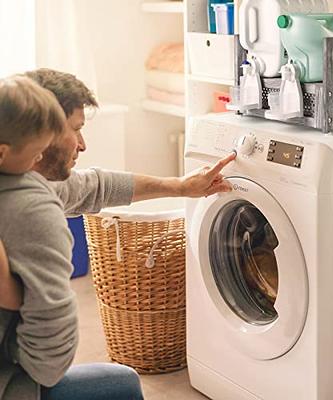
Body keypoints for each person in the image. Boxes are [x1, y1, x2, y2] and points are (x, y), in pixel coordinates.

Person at [0, 68, 236, 400]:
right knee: (121, 383)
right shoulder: (35, 211)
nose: (82, 144)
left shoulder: (15, 175)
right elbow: (47, 366)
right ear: (46, 127)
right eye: (76, 130)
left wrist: (180, 187)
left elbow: (93, 186)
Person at [0, 75, 66, 311]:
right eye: (37, 151)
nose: (39, 158)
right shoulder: (29, 207)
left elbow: (82, 186)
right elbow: (12, 298)